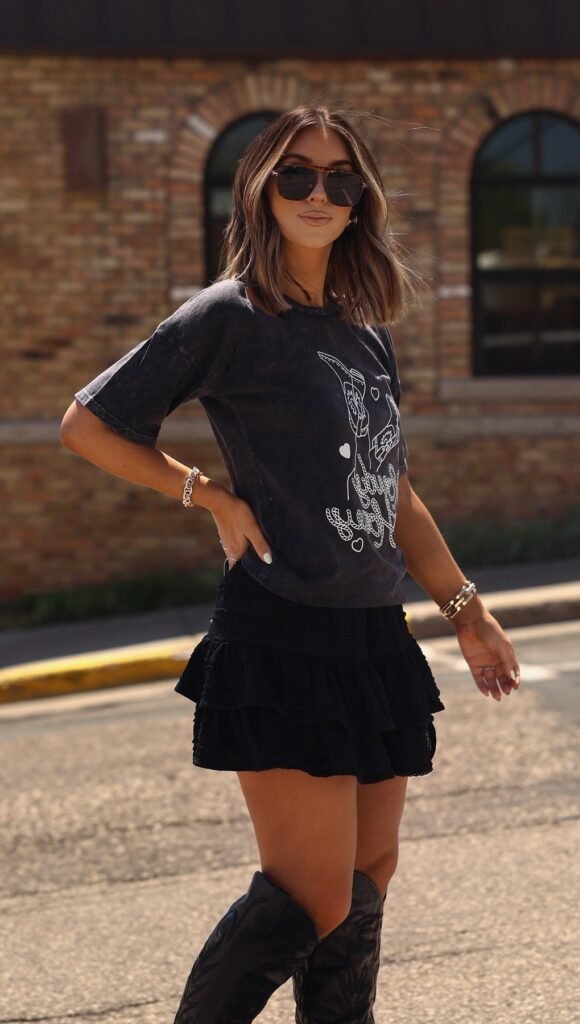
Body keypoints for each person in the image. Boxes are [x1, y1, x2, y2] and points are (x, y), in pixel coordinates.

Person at [60, 104, 521, 1024]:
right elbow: (90, 425)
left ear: (361, 202)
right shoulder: (231, 315)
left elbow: (393, 488)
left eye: (340, 178)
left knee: (364, 877)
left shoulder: (363, 327)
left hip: (370, 634)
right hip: (281, 630)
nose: (319, 192)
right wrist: (209, 494)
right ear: (262, 190)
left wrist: (464, 608)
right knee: (312, 893)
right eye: (297, 175)